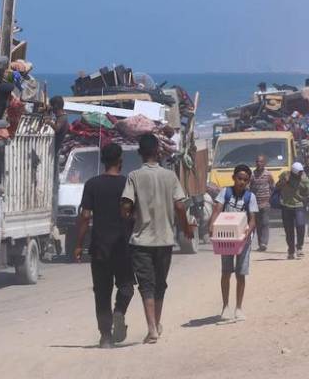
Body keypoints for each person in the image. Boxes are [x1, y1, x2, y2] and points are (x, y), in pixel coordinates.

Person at [121, 134, 193, 344]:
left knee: (146, 285)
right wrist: (186, 227)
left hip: (141, 241)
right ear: (158, 152)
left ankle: (152, 328)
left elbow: (126, 207)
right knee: (160, 284)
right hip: (165, 240)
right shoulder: (170, 176)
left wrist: (130, 215)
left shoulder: (134, 176)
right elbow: (180, 206)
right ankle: (157, 324)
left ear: (140, 153)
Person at [74, 143, 134, 348]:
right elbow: (135, 214)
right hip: (123, 246)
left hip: (99, 246)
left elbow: (85, 216)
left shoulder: (92, 184)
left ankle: (105, 337)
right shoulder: (128, 184)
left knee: (102, 292)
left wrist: (79, 244)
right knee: (126, 287)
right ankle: (119, 312)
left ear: (102, 161)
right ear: (120, 160)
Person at [209, 165, 258, 322]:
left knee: (240, 273)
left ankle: (238, 308)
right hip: (227, 239)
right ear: (233, 178)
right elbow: (217, 210)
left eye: (245, 180)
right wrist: (211, 226)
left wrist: (246, 233)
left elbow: (252, 220)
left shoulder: (250, 197)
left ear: (248, 181)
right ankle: (225, 307)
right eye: (239, 178)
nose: (242, 182)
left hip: (243, 240)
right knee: (225, 272)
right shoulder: (226, 192)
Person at [275, 162, 309, 259]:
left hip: (299, 205)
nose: (300, 174)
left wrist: (304, 198)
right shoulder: (285, 175)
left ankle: (299, 248)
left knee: (301, 226)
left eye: (301, 172)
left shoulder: (305, 180)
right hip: (286, 206)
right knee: (289, 230)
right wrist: (283, 182)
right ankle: (291, 250)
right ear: (293, 172)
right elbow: (277, 186)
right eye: (299, 172)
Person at [250, 155, 274, 252]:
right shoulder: (252, 174)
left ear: (264, 163)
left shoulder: (268, 174)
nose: (259, 163)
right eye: (257, 162)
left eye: (260, 162)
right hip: (255, 204)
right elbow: (249, 187)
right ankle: (260, 244)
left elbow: (273, 186)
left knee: (265, 223)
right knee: (258, 225)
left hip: (265, 203)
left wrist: (269, 198)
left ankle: (264, 243)